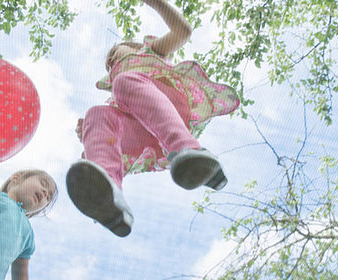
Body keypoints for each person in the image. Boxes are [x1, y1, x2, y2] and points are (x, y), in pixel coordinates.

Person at [66, 0, 240, 237]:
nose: (111, 62)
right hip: (144, 134)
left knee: (124, 82)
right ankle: (110, 194)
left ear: (136, 49)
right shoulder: (118, 94)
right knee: (97, 114)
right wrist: (90, 131)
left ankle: (188, 149)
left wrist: (156, 3)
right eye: (108, 64)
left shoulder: (149, 55)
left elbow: (183, 31)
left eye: (115, 54)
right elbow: (109, 126)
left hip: (168, 106)